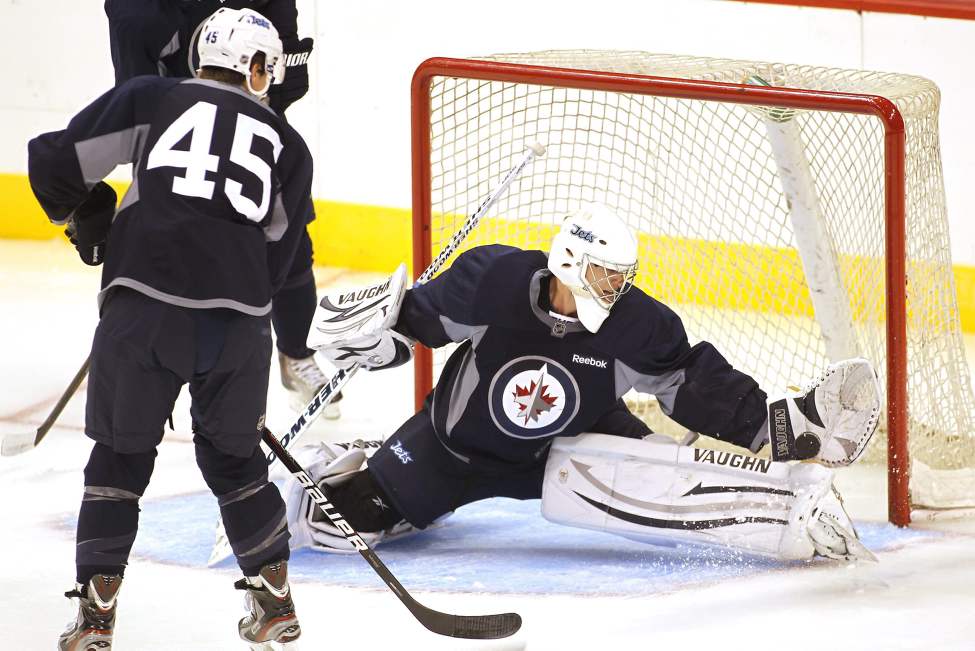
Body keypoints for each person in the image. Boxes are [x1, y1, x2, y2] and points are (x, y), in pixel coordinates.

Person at [283, 202, 881, 563]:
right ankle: (339, 467)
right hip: (450, 450)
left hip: (567, 452)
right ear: (569, 261)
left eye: (620, 275)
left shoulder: (635, 323)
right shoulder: (493, 279)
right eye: (603, 271)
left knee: (673, 477)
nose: (613, 285)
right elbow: (417, 322)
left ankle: (793, 513)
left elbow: (691, 383)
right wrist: (371, 340)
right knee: (345, 514)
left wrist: (772, 427)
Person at [29, 8, 311, 649]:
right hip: (238, 328)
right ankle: (275, 604)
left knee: (121, 456)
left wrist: (91, 210)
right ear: (259, 69)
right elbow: (283, 258)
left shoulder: (149, 96)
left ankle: (97, 614)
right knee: (237, 461)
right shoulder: (290, 148)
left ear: (199, 59)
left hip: (143, 312)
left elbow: (52, 163)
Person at [103, 0, 342, 418]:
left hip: (249, 130)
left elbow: (288, 78)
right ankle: (142, 357)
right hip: (179, 140)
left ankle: (295, 354)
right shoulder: (136, 10)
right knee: (155, 250)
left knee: (290, 241)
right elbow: (136, 96)